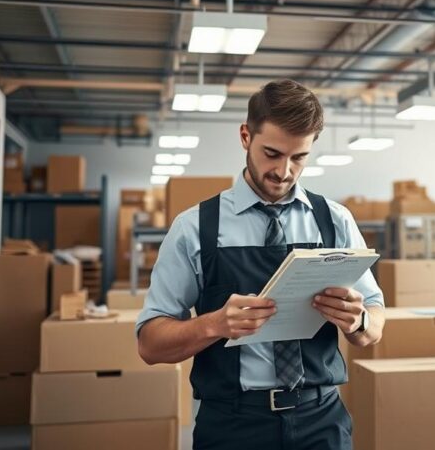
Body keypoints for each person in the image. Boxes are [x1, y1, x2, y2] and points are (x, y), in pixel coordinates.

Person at [136, 79, 385, 450]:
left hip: (321, 420)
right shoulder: (196, 228)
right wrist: (215, 324)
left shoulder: (334, 220)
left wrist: (359, 321)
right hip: (233, 425)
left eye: (298, 157)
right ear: (245, 137)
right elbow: (150, 344)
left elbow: (374, 321)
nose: (284, 171)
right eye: (272, 153)